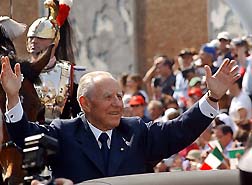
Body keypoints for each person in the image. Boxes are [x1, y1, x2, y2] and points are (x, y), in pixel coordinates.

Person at [1, 56, 240, 183]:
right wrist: (13, 96)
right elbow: (24, 136)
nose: (118, 103)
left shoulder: (137, 131)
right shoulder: (63, 132)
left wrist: (212, 96)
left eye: (119, 96)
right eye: (108, 97)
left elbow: (181, 129)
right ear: (84, 103)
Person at [26, 0, 85, 123]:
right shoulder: (20, 71)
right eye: (31, 38)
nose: (34, 42)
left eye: (41, 38)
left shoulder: (72, 74)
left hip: (61, 135)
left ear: (54, 40)